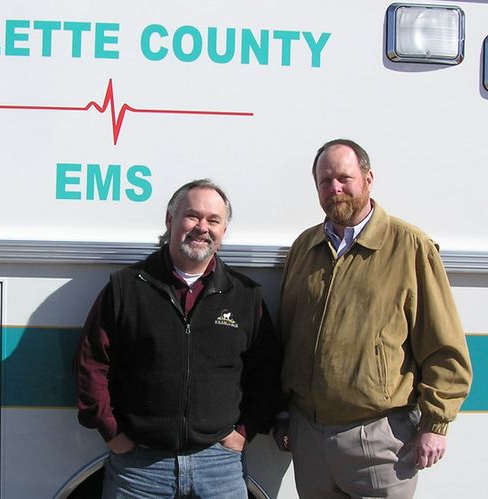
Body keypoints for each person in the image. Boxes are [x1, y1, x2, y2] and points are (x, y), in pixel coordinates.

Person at [274, 139, 472, 498]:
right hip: (309, 437)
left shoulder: (410, 246)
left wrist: (435, 424)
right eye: (325, 180)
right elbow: (288, 339)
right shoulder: (305, 247)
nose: (335, 188)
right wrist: (284, 413)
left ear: (368, 178)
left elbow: (445, 346)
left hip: (381, 442)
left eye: (344, 178)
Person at [73, 179, 281, 499]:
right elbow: (91, 363)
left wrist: (245, 432)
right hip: (139, 468)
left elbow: (266, 372)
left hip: (219, 465)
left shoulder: (246, 296)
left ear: (223, 232)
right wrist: (112, 432)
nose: (202, 227)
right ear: (171, 221)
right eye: (192, 216)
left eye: (213, 220)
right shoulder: (127, 288)